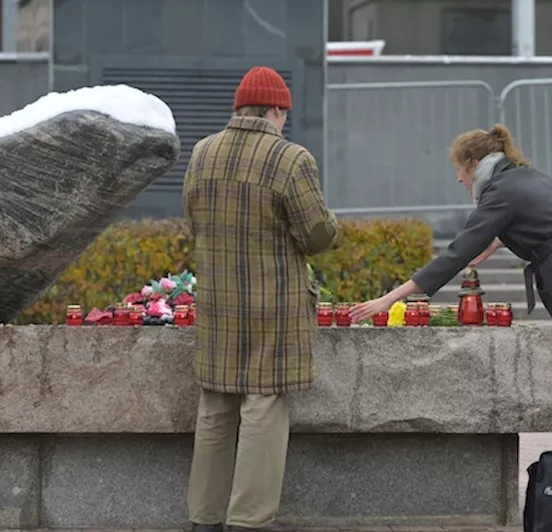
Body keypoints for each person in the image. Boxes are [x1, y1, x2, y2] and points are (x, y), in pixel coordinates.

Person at [348, 123, 552, 449]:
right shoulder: (524, 177)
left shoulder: (500, 191)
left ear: (473, 164)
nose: (459, 180)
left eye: (459, 170)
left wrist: (391, 297)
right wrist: (500, 240)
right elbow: (544, 219)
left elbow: (457, 253)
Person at [182, 65, 339, 532]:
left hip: (217, 301)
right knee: (263, 405)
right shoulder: (290, 159)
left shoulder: (202, 153)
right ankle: (249, 520)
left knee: (215, 406)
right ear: (275, 110)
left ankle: (203, 517)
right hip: (273, 304)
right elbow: (316, 234)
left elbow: (191, 221)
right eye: (284, 114)